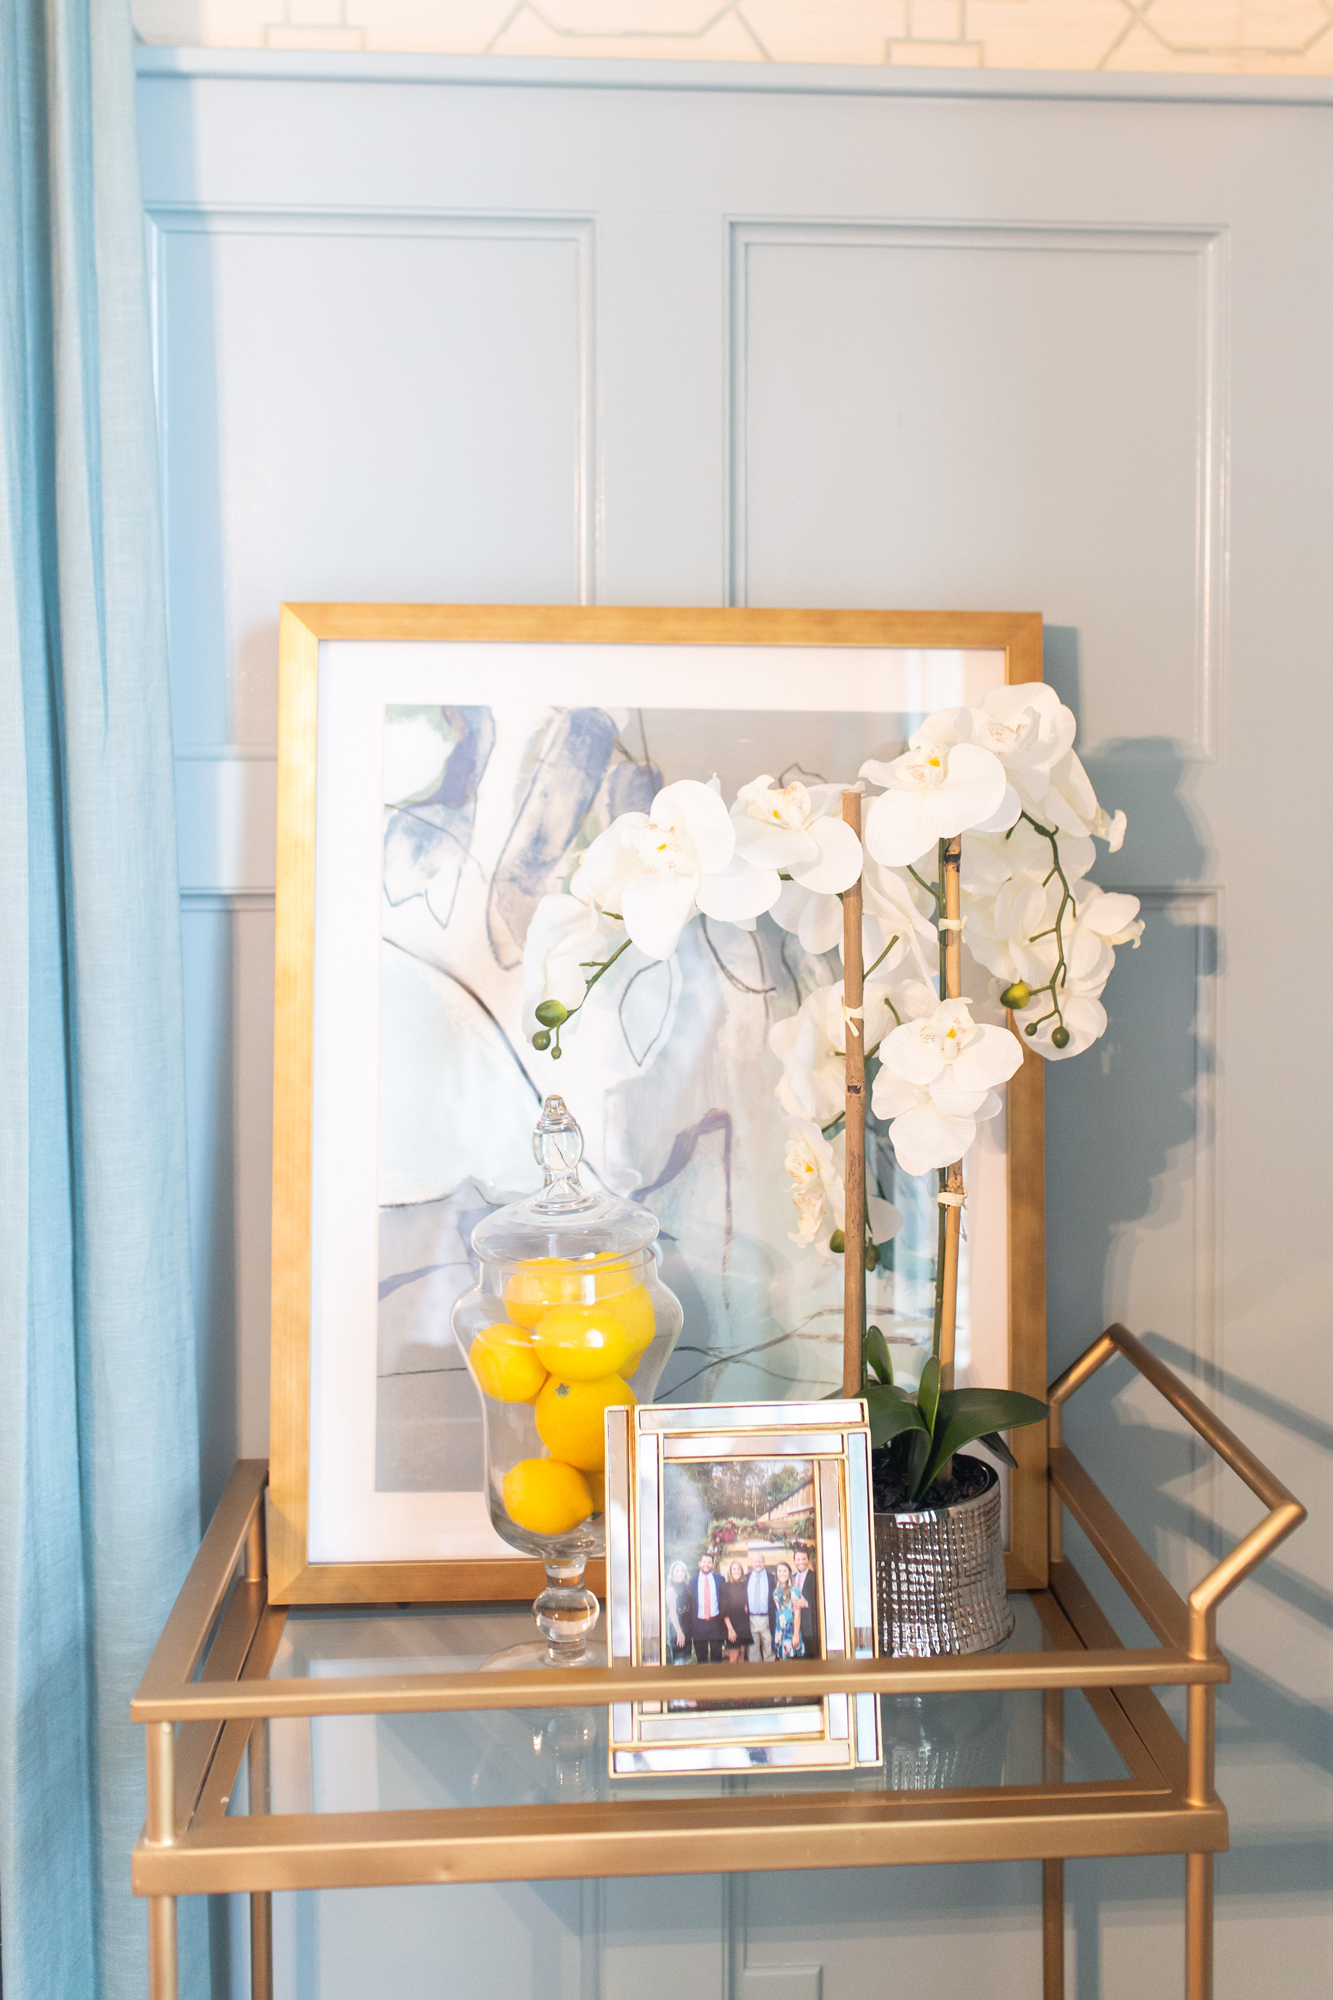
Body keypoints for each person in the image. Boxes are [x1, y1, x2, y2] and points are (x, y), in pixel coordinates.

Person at [690, 1551, 726, 1663]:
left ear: (712, 1565)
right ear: (699, 1563)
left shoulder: (720, 1579)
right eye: (704, 1562)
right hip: (699, 1624)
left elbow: (724, 1600)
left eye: (709, 1562)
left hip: (715, 1622)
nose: (706, 1564)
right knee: (701, 1658)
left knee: (717, 1657)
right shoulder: (692, 1581)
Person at [744, 1542, 777, 1662]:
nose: (758, 1564)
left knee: (769, 1648)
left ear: (764, 1563)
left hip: (767, 1619)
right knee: (753, 1650)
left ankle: (770, 1676)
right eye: (755, 1561)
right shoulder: (746, 1578)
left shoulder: (772, 1578)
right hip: (752, 1618)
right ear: (752, 1563)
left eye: (760, 1561)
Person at [718, 1558, 753, 1664]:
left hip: (744, 1625)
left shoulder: (745, 1585)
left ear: (742, 1571)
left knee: (742, 1653)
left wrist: (747, 1605)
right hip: (732, 1626)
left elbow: (749, 1599)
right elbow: (723, 1609)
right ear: (730, 1571)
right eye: (734, 1569)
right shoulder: (725, 1586)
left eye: (738, 1569)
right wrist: (730, 1629)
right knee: (734, 1655)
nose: (736, 1571)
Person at [791, 1546, 819, 1659]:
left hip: (810, 1628)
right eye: (798, 1559)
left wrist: (806, 1604)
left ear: (808, 1560)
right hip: (793, 1627)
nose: (801, 1562)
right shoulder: (791, 1579)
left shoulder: (816, 1577)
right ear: (794, 1561)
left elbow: (822, 1602)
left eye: (804, 1559)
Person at [772, 1559, 802, 1660]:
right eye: (779, 1571)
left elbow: (797, 1613)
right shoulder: (777, 1588)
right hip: (779, 1628)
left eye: (784, 1571)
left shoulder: (794, 1589)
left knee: (789, 1659)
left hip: (790, 1627)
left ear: (789, 1572)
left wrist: (796, 1634)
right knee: (781, 1658)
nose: (782, 1574)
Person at [665, 1559, 693, 1665]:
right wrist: (679, 1632)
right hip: (677, 1630)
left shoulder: (687, 1588)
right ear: (672, 1574)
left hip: (687, 1629)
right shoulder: (670, 1590)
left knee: (687, 1661)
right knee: (680, 1662)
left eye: (682, 1571)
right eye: (677, 1571)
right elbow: (672, 1613)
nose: (680, 1573)